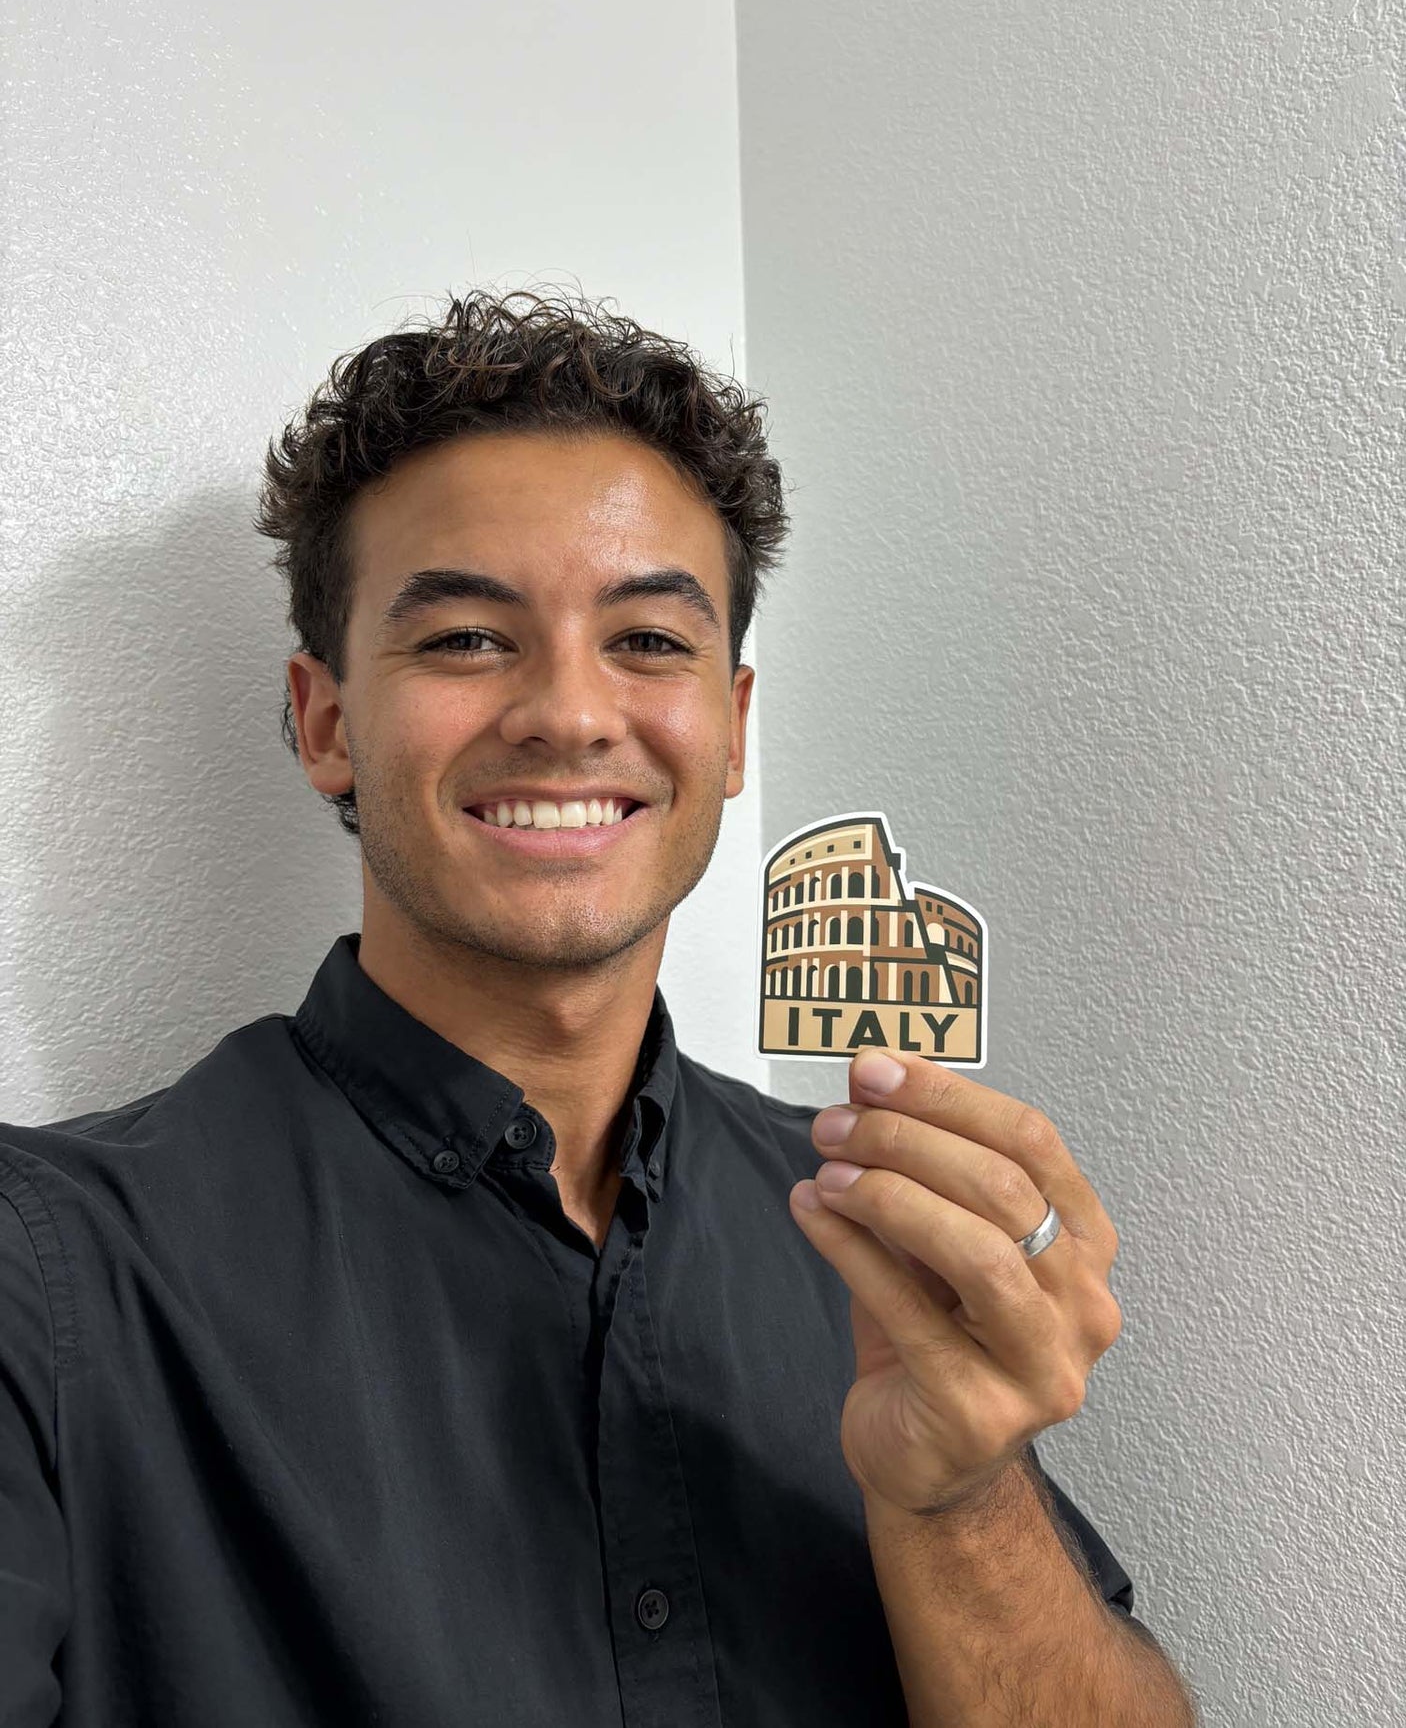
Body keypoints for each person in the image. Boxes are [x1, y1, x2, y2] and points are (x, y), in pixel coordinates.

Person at [0, 291, 1197, 1726]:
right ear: (325, 723)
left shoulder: (880, 1233)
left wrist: (957, 1501)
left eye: (646, 641)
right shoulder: (48, 1276)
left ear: (734, 727)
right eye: (462, 640)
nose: (570, 713)